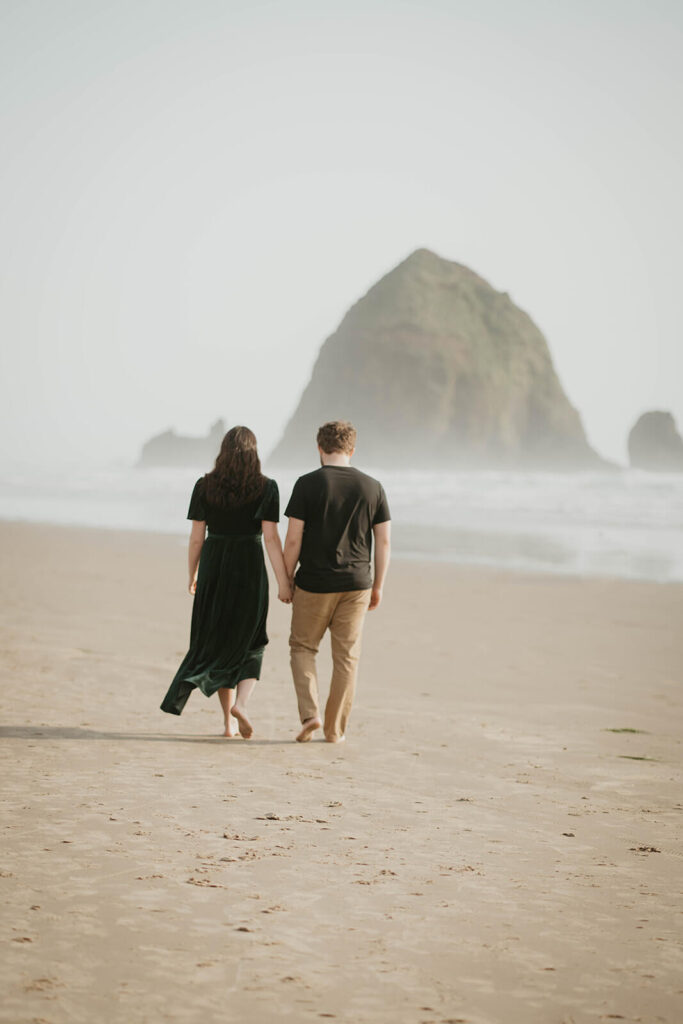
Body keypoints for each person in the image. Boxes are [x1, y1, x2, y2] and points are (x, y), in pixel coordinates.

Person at [160, 426, 292, 737]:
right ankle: (242, 705)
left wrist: (192, 574)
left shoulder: (204, 486)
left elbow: (196, 539)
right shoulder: (267, 487)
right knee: (251, 640)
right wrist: (284, 582)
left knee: (219, 640)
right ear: (254, 453)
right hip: (248, 565)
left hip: (214, 566)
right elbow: (271, 539)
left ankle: (227, 723)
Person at [283, 420, 391, 743]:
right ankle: (334, 730)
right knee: (346, 658)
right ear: (352, 450)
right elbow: (383, 542)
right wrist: (379, 585)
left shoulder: (306, 484)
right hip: (357, 582)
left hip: (314, 582)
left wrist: (286, 579)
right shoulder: (373, 487)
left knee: (302, 647)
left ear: (319, 448)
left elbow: (292, 541)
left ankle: (310, 714)